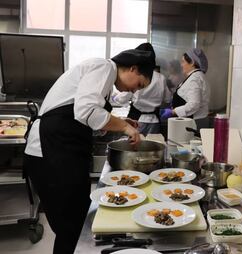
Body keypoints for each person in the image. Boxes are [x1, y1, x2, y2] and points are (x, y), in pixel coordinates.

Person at [23, 48, 154, 254]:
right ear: (132, 68)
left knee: (75, 223)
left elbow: (88, 118)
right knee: (70, 228)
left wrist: (120, 122)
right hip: (50, 151)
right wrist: (123, 126)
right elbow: (86, 111)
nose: (134, 92)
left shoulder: (106, 77)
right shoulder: (103, 67)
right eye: (138, 85)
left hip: (63, 152)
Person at [112, 43, 171, 135]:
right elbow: (168, 98)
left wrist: (115, 98)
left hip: (136, 119)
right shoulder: (161, 77)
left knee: (134, 146)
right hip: (154, 121)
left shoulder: (137, 75)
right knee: (152, 145)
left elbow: (122, 99)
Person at [160, 48, 210, 129]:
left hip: (194, 122)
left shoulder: (195, 78)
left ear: (192, 62)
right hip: (194, 120)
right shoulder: (196, 76)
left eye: (183, 62)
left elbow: (194, 104)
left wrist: (173, 111)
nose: (181, 65)